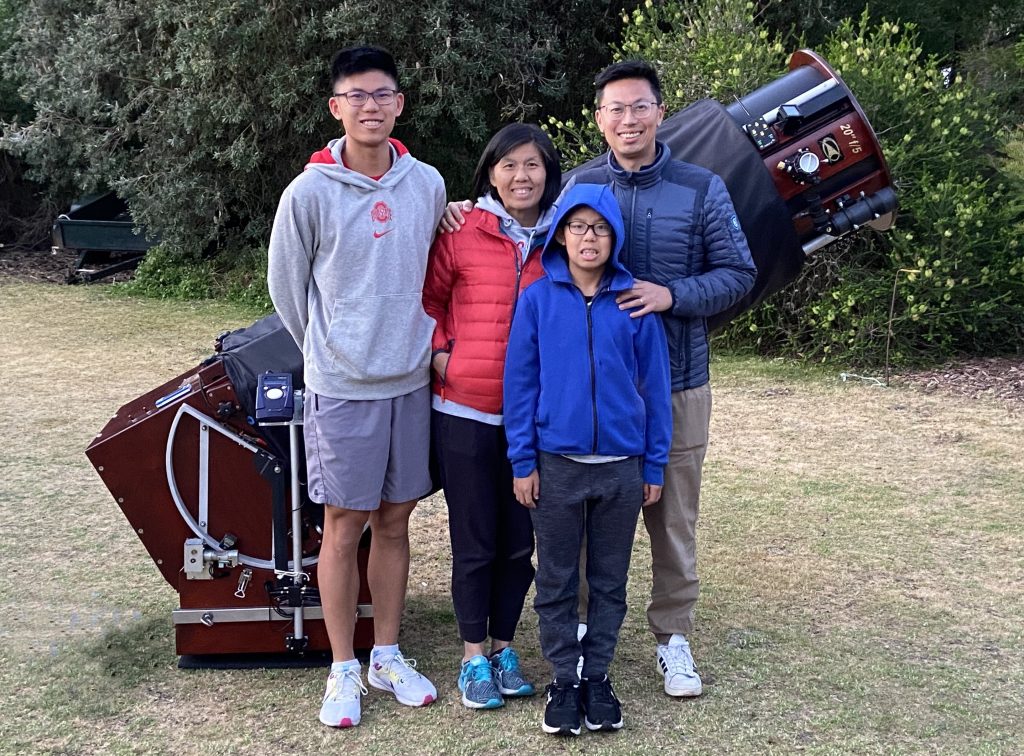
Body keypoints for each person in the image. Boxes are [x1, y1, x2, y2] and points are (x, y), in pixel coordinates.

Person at [444, 60, 757, 699]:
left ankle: (673, 638)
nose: (628, 119)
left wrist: (670, 295)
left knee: (670, 520)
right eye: (614, 109)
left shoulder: (701, 188)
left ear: (660, 112)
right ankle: (584, 636)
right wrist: (458, 211)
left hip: (675, 379)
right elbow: (522, 236)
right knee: (585, 525)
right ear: (599, 119)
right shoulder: (579, 187)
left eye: (639, 106)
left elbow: (739, 273)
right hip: (582, 397)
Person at [267, 45, 446, 729]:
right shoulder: (308, 192)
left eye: (382, 94)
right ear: (336, 107)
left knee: (395, 520)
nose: (370, 106)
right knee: (342, 527)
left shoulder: (425, 182)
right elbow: (288, 289)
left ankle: (387, 653)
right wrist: (329, 352)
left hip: (409, 381)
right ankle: (344, 666)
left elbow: (435, 263)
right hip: (343, 386)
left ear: (400, 103)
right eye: (355, 96)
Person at [503, 183, 672, 735]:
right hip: (556, 464)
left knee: (608, 579)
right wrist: (522, 461)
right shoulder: (537, 299)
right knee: (554, 579)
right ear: (560, 236)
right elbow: (521, 385)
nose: (588, 237)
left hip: (622, 468)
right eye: (577, 227)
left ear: (613, 236)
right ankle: (563, 679)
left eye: (599, 227)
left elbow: (655, 389)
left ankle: (597, 676)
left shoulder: (634, 303)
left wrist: (653, 465)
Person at [421, 123, 561, 710]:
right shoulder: (461, 230)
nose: (520, 177)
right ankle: (472, 655)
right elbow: (426, 302)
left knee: (517, 543)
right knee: (474, 541)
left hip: (534, 419)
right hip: (464, 411)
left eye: (531, 165)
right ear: (490, 173)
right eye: (508, 166)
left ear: (548, 173)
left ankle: (505, 647)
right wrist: (442, 354)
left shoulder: (565, 236)